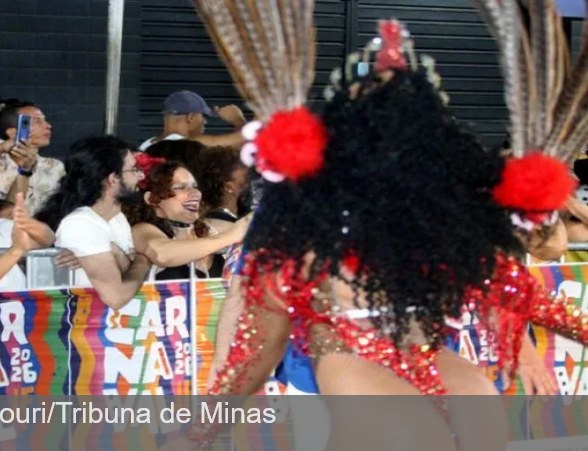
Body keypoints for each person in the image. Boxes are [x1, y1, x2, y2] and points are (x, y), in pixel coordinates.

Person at [162, 2, 588, 450]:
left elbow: (510, 288)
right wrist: (207, 424)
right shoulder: (308, 207)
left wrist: (532, 342)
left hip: (419, 347)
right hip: (341, 351)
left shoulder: (446, 209)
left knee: (481, 414)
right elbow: (258, 326)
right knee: (410, 432)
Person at [35, 136, 151, 309]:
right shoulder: (81, 224)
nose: (141, 175)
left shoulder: (116, 218)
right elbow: (116, 297)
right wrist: (144, 261)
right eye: (133, 169)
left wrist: (121, 256)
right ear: (112, 178)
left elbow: (127, 269)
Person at [122, 160, 251, 280]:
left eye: (194, 186)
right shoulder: (141, 229)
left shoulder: (207, 229)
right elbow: (162, 254)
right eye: (180, 187)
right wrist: (228, 237)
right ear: (151, 198)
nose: (195, 193)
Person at [0, 101, 65, 215]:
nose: (48, 126)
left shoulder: (55, 167)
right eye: (37, 121)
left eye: (44, 120)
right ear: (13, 132)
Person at [139, 91, 247, 151]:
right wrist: (238, 121)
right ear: (190, 117)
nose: (205, 122)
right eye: (203, 116)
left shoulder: (146, 146)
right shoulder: (188, 145)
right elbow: (244, 141)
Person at [194, 146, 250, 234]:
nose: (251, 183)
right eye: (246, 178)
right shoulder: (239, 231)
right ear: (229, 187)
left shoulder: (198, 227)